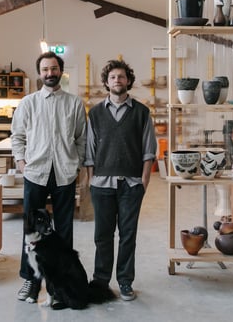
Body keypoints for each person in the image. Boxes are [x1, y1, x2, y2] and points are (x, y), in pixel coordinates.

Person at [11, 51, 87, 303]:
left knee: (63, 231)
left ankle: (58, 285)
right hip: (35, 172)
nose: (49, 73)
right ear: (39, 73)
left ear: (60, 71)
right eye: (45, 69)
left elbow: (81, 139)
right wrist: (21, 162)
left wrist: (77, 166)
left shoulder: (74, 103)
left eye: (54, 68)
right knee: (32, 231)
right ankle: (31, 282)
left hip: (65, 173)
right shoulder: (28, 103)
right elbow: (17, 136)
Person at [84, 59, 157, 301]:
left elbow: (149, 150)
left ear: (128, 81)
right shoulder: (94, 113)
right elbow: (89, 151)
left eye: (122, 76)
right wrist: (92, 179)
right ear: (106, 82)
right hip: (102, 185)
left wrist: (144, 182)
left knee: (128, 235)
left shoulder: (142, 112)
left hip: (131, 185)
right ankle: (101, 282)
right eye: (113, 77)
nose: (117, 80)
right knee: (102, 236)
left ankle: (125, 282)